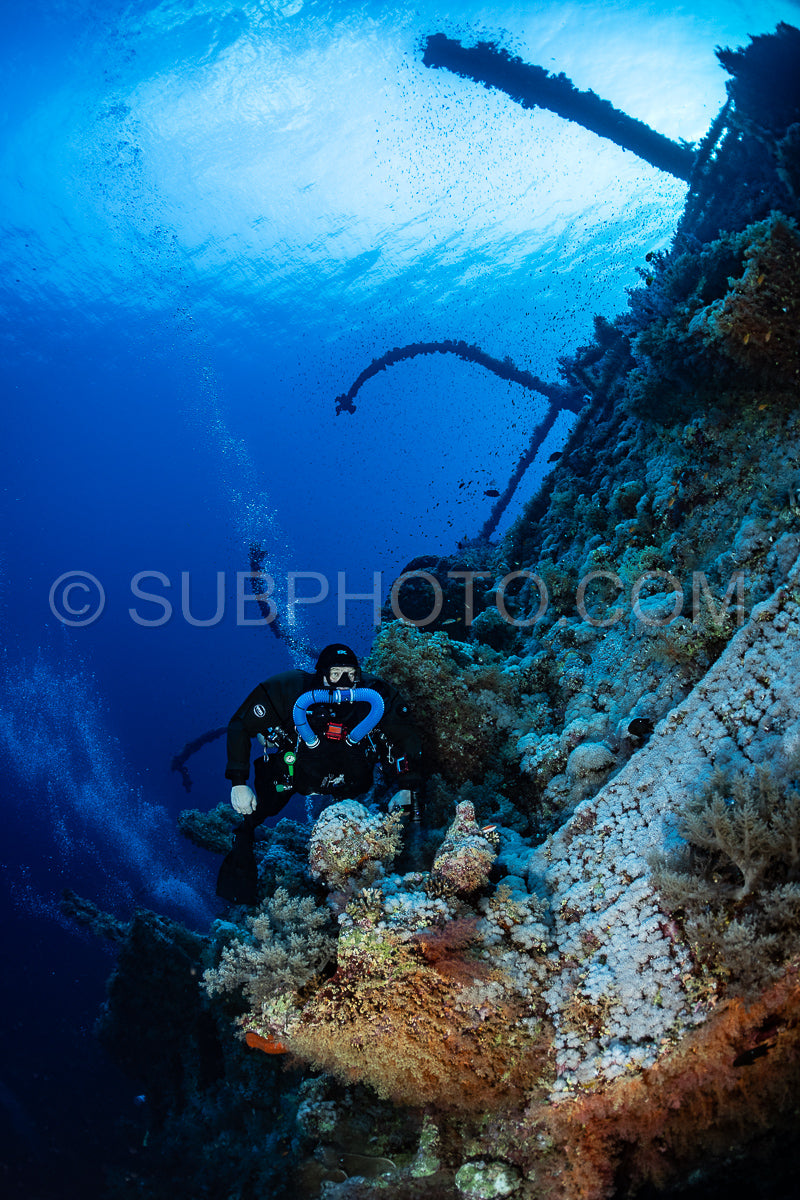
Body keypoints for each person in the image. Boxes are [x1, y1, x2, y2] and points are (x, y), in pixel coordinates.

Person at [216, 643, 423, 904]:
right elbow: (239, 724)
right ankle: (241, 854)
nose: (345, 682)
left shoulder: (375, 694)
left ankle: (406, 864)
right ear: (321, 674)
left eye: (351, 674)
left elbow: (405, 735)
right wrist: (239, 782)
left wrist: (407, 786)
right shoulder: (290, 689)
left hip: (353, 779)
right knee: (261, 808)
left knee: (401, 809)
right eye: (336, 674)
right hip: (296, 773)